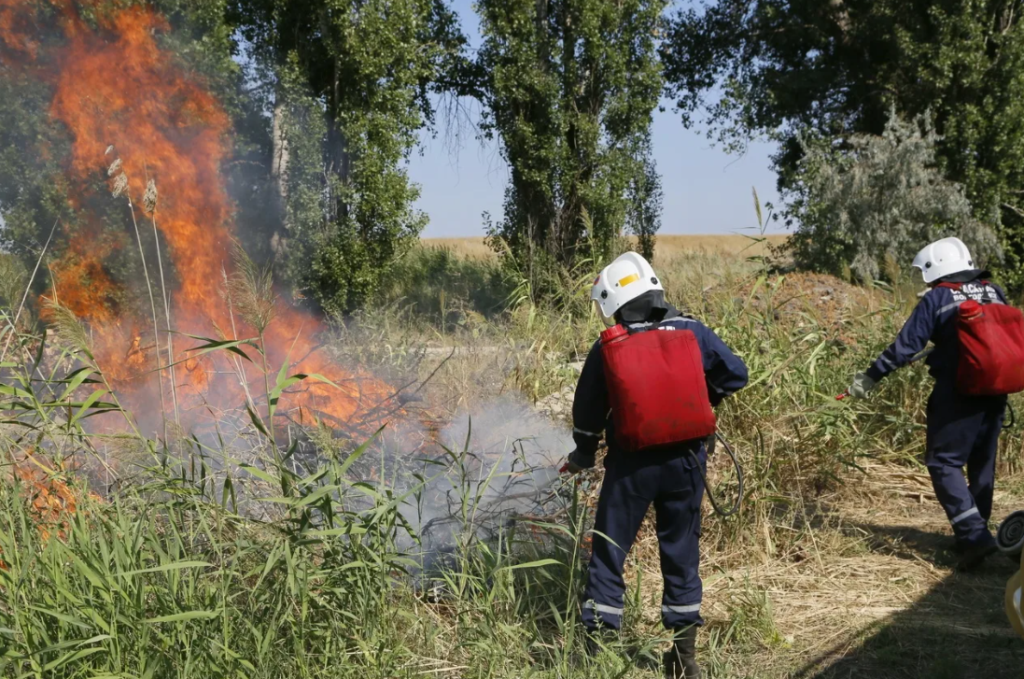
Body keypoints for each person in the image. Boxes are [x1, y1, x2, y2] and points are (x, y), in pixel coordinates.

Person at [564, 252, 748, 679]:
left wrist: (583, 454)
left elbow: (588, 410)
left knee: (609, 553)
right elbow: (736, 373)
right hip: (686, 463)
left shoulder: (609, 344)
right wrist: (701, 402)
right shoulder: (692, 330)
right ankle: (685, 658)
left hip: (631, 467)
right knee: (681, 554)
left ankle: (597, 655)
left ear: (613, 300)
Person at [849, 237, 1010, 570]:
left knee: (943, 462)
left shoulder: (937, 298)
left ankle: (974, 536)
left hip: (959, 393)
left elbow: (904, 347)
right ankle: (975, 533)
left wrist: (869, 378)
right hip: (997, 391)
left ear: (934, 269)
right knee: (982, 462)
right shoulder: (993, 291)